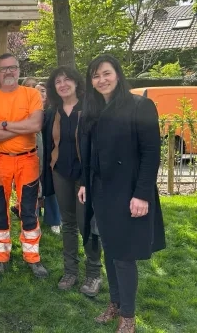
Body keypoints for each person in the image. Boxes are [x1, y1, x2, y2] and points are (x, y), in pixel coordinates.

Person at [79, 54, 166, 333]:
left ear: (118, 74)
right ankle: (115, 303)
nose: (101, 80)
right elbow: (89, 153)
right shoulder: (92, 109)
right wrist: (84, 183)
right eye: (95, 76)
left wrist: (142, 195)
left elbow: (151, 153)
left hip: (129, 191)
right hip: (101, 191)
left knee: (124, 255)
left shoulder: (140, 105)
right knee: (110, 249)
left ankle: (128, 316)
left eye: (106, 73)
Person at [0, 53, 47, 279]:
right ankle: (0, 257)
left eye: (12, 68)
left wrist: (6, 125)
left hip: (27, 159)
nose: (8, 72)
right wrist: (22, 126)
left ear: (19, 70)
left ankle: (33, 257)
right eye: (3, 69)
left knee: (29, 210)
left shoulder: (31, 95)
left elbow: (36, 124)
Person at [41, 67, 102, 297]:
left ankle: (94, 274)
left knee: (87, 222)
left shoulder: (89, 110)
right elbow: (49, 146)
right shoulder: (52, 112)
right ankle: (70, 271)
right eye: (58, 81)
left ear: (77, 83)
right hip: (61, 173)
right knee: (68, 223)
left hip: (85, 176)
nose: (63, 84)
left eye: (67, 80)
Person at [20, 79, 62, 235]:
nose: (38, 93)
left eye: (42, 90)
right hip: (33, 154)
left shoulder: (54, 111)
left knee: (51, 186)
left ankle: (54, 220)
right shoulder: (27, 112)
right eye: (34, 90)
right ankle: (33, 217)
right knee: (33, 186)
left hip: (51, 155)